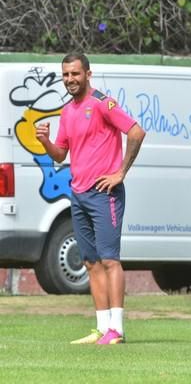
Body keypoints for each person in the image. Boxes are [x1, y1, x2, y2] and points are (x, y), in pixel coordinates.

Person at [36, 53, 146, 345]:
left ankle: (117, 329)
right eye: (66, 75)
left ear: (88, 73)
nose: (70, 79)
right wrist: (45, 141)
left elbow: (136, 132)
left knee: (110, 260)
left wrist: (120, 172)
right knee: (91, 262)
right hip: (79, 194)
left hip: (104, 194)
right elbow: (61, 154)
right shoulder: (67, 111)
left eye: (76, 73)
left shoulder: (103, 103)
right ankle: (101, 327)